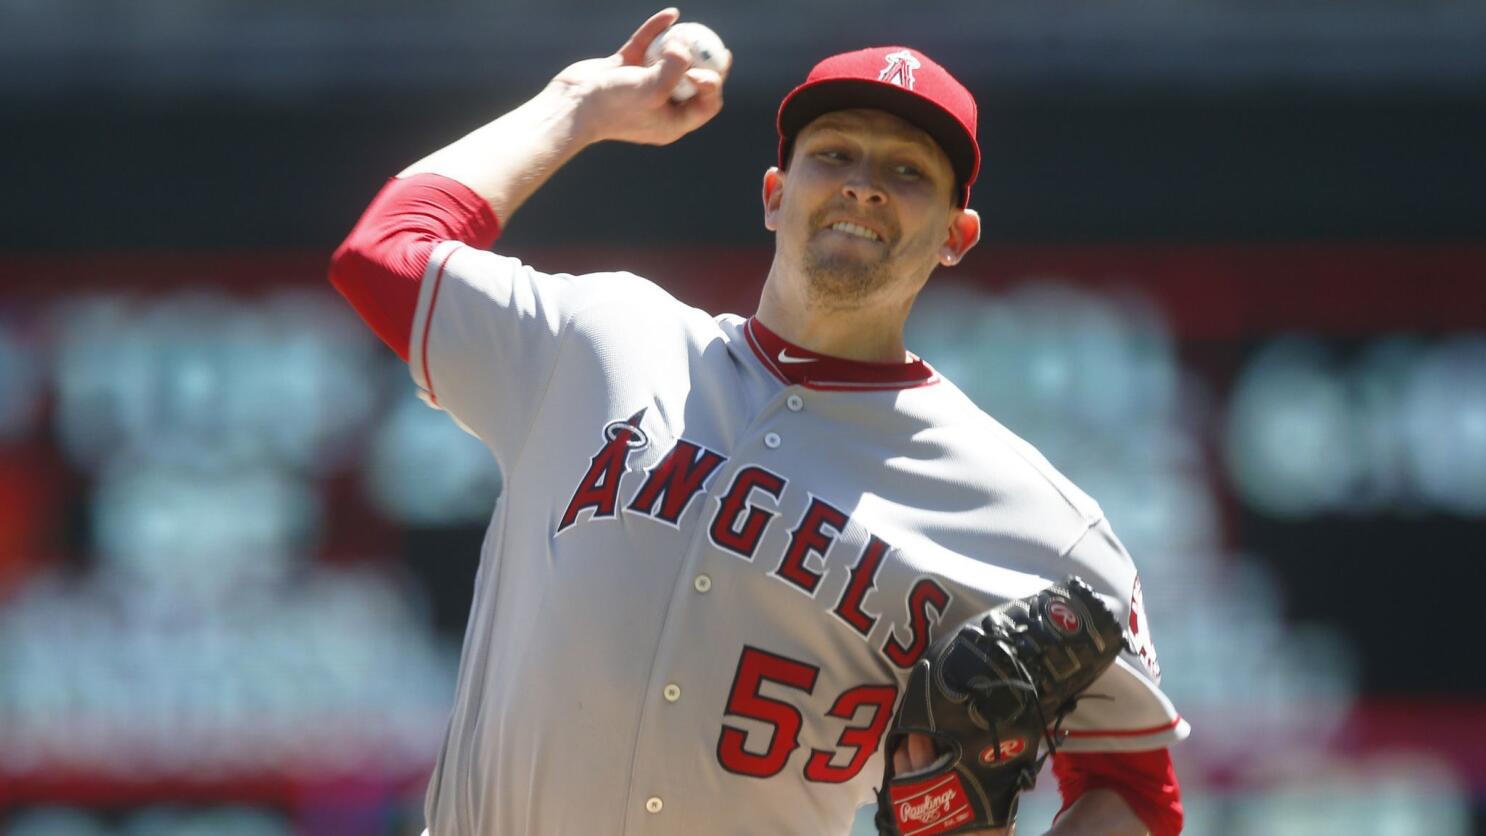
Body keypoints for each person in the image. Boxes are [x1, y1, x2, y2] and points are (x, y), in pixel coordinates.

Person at [329, 8, 1187, 835]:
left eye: (907, 172)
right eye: (835, 154)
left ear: (956, 235)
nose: (862, 184)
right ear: (775, 195)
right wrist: (577, 107)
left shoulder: (1034, 522)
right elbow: (384, 255)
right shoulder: (601, 342)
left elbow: (1138, 791)